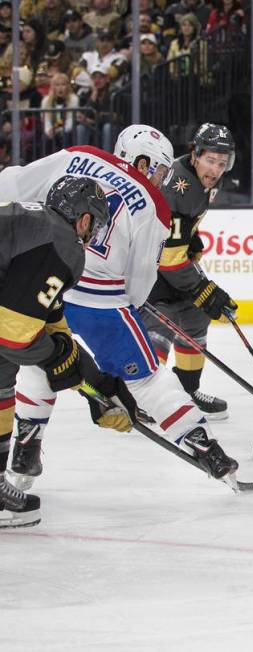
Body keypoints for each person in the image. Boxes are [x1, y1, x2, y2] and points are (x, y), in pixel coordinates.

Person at [0, 127, 240, 489]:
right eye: (159, 169)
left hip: (47, 277)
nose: (161, 179)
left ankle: (26, 450)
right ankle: (205, 447)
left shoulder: (78, 154)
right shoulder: (155, 203)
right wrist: (129, 308)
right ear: (143, 161)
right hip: (103, 301)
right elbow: (140, 283)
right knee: (146, 378)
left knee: (42, 360)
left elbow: (12, 186)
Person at [0, 176, 138, 528]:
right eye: (94, 225)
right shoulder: (63, 243)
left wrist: (95, 386)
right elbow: (15, 335)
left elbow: (51, 322)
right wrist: (57, 359)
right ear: (84, 219)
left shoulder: (36, 225)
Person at [141, 123, 238, 420]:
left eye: (222, 163)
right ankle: (145, 397)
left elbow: (178, 229)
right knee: (161, 322)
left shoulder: (204, 179)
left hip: (164, 257)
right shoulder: (178, 186)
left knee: (196, 316)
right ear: (195, 155)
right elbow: (169, 260)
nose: (215, 169)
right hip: (146, 264)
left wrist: (190, 238)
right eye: (210, 160)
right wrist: (203, 290)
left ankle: (185, 390)